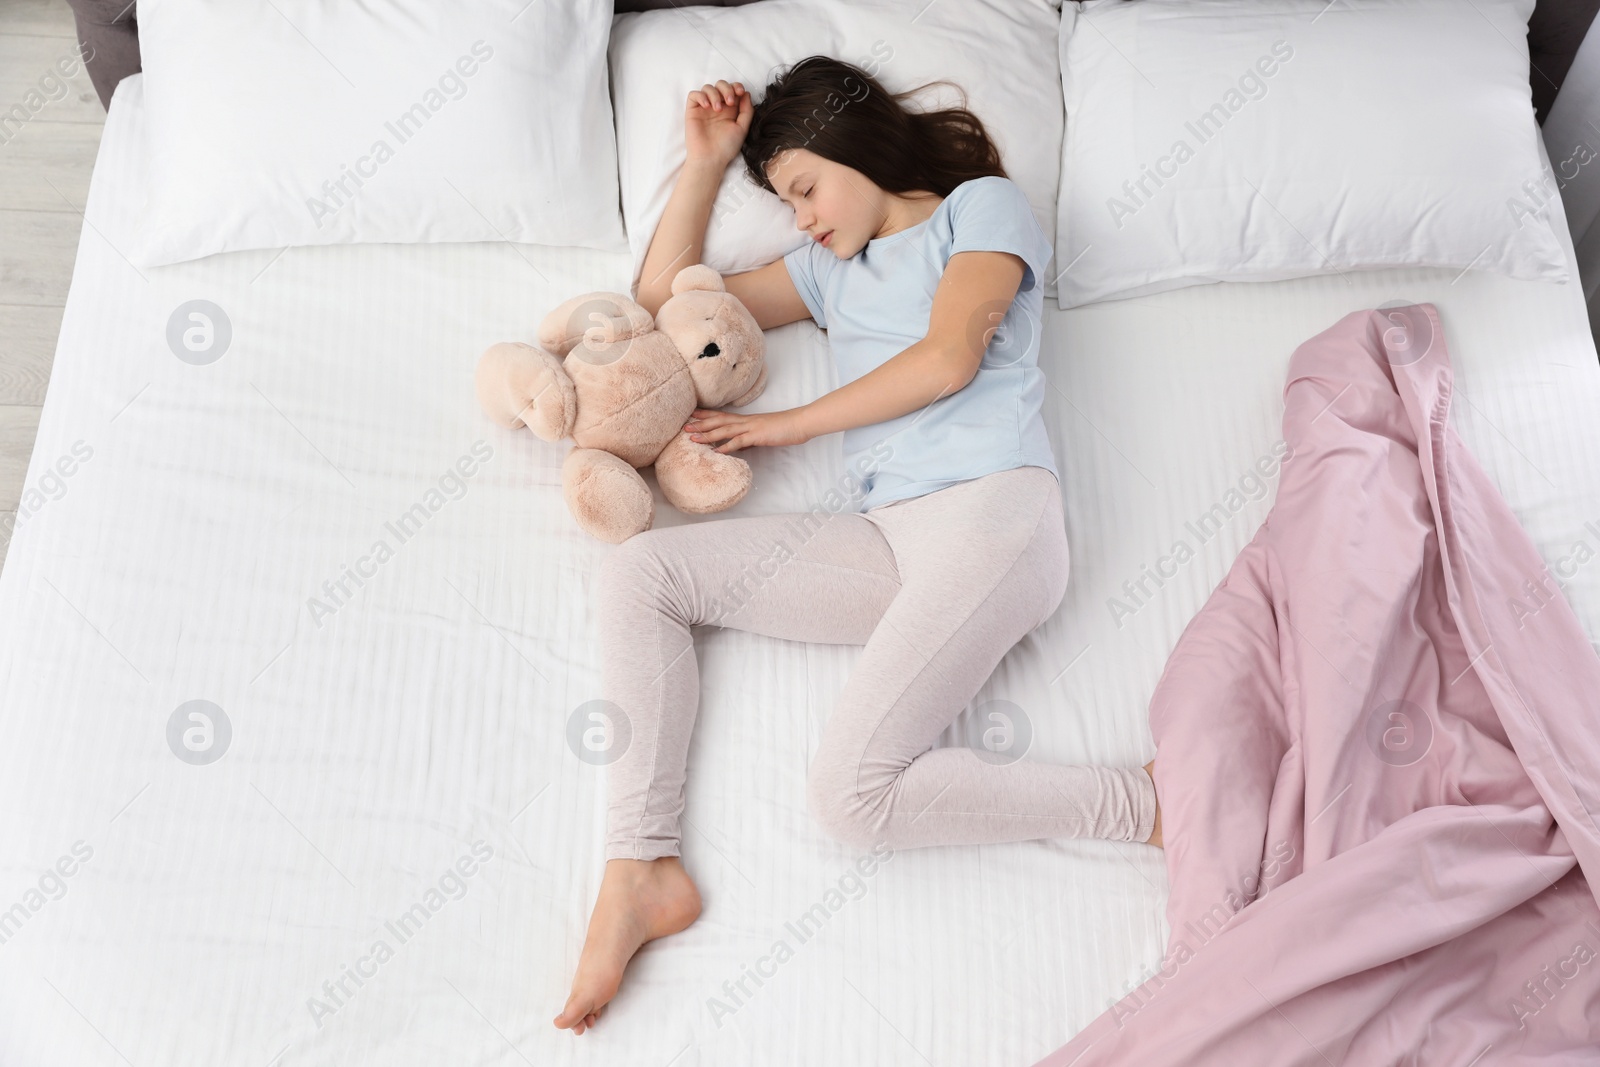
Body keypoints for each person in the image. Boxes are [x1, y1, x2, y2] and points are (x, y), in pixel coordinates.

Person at [555, 56, 1161, 1036]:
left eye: (803, 188)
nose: (800, 217)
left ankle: (1145, 805)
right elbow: (668, 306)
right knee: (641, 571)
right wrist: (706, 166)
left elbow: (950, 355)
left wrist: (786, 426)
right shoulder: (827, 271)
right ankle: (641, 862)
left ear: (858, 148)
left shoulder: (981, 209)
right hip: (888, 540)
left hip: (993, 514)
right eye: (784, 200)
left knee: (851, 797)